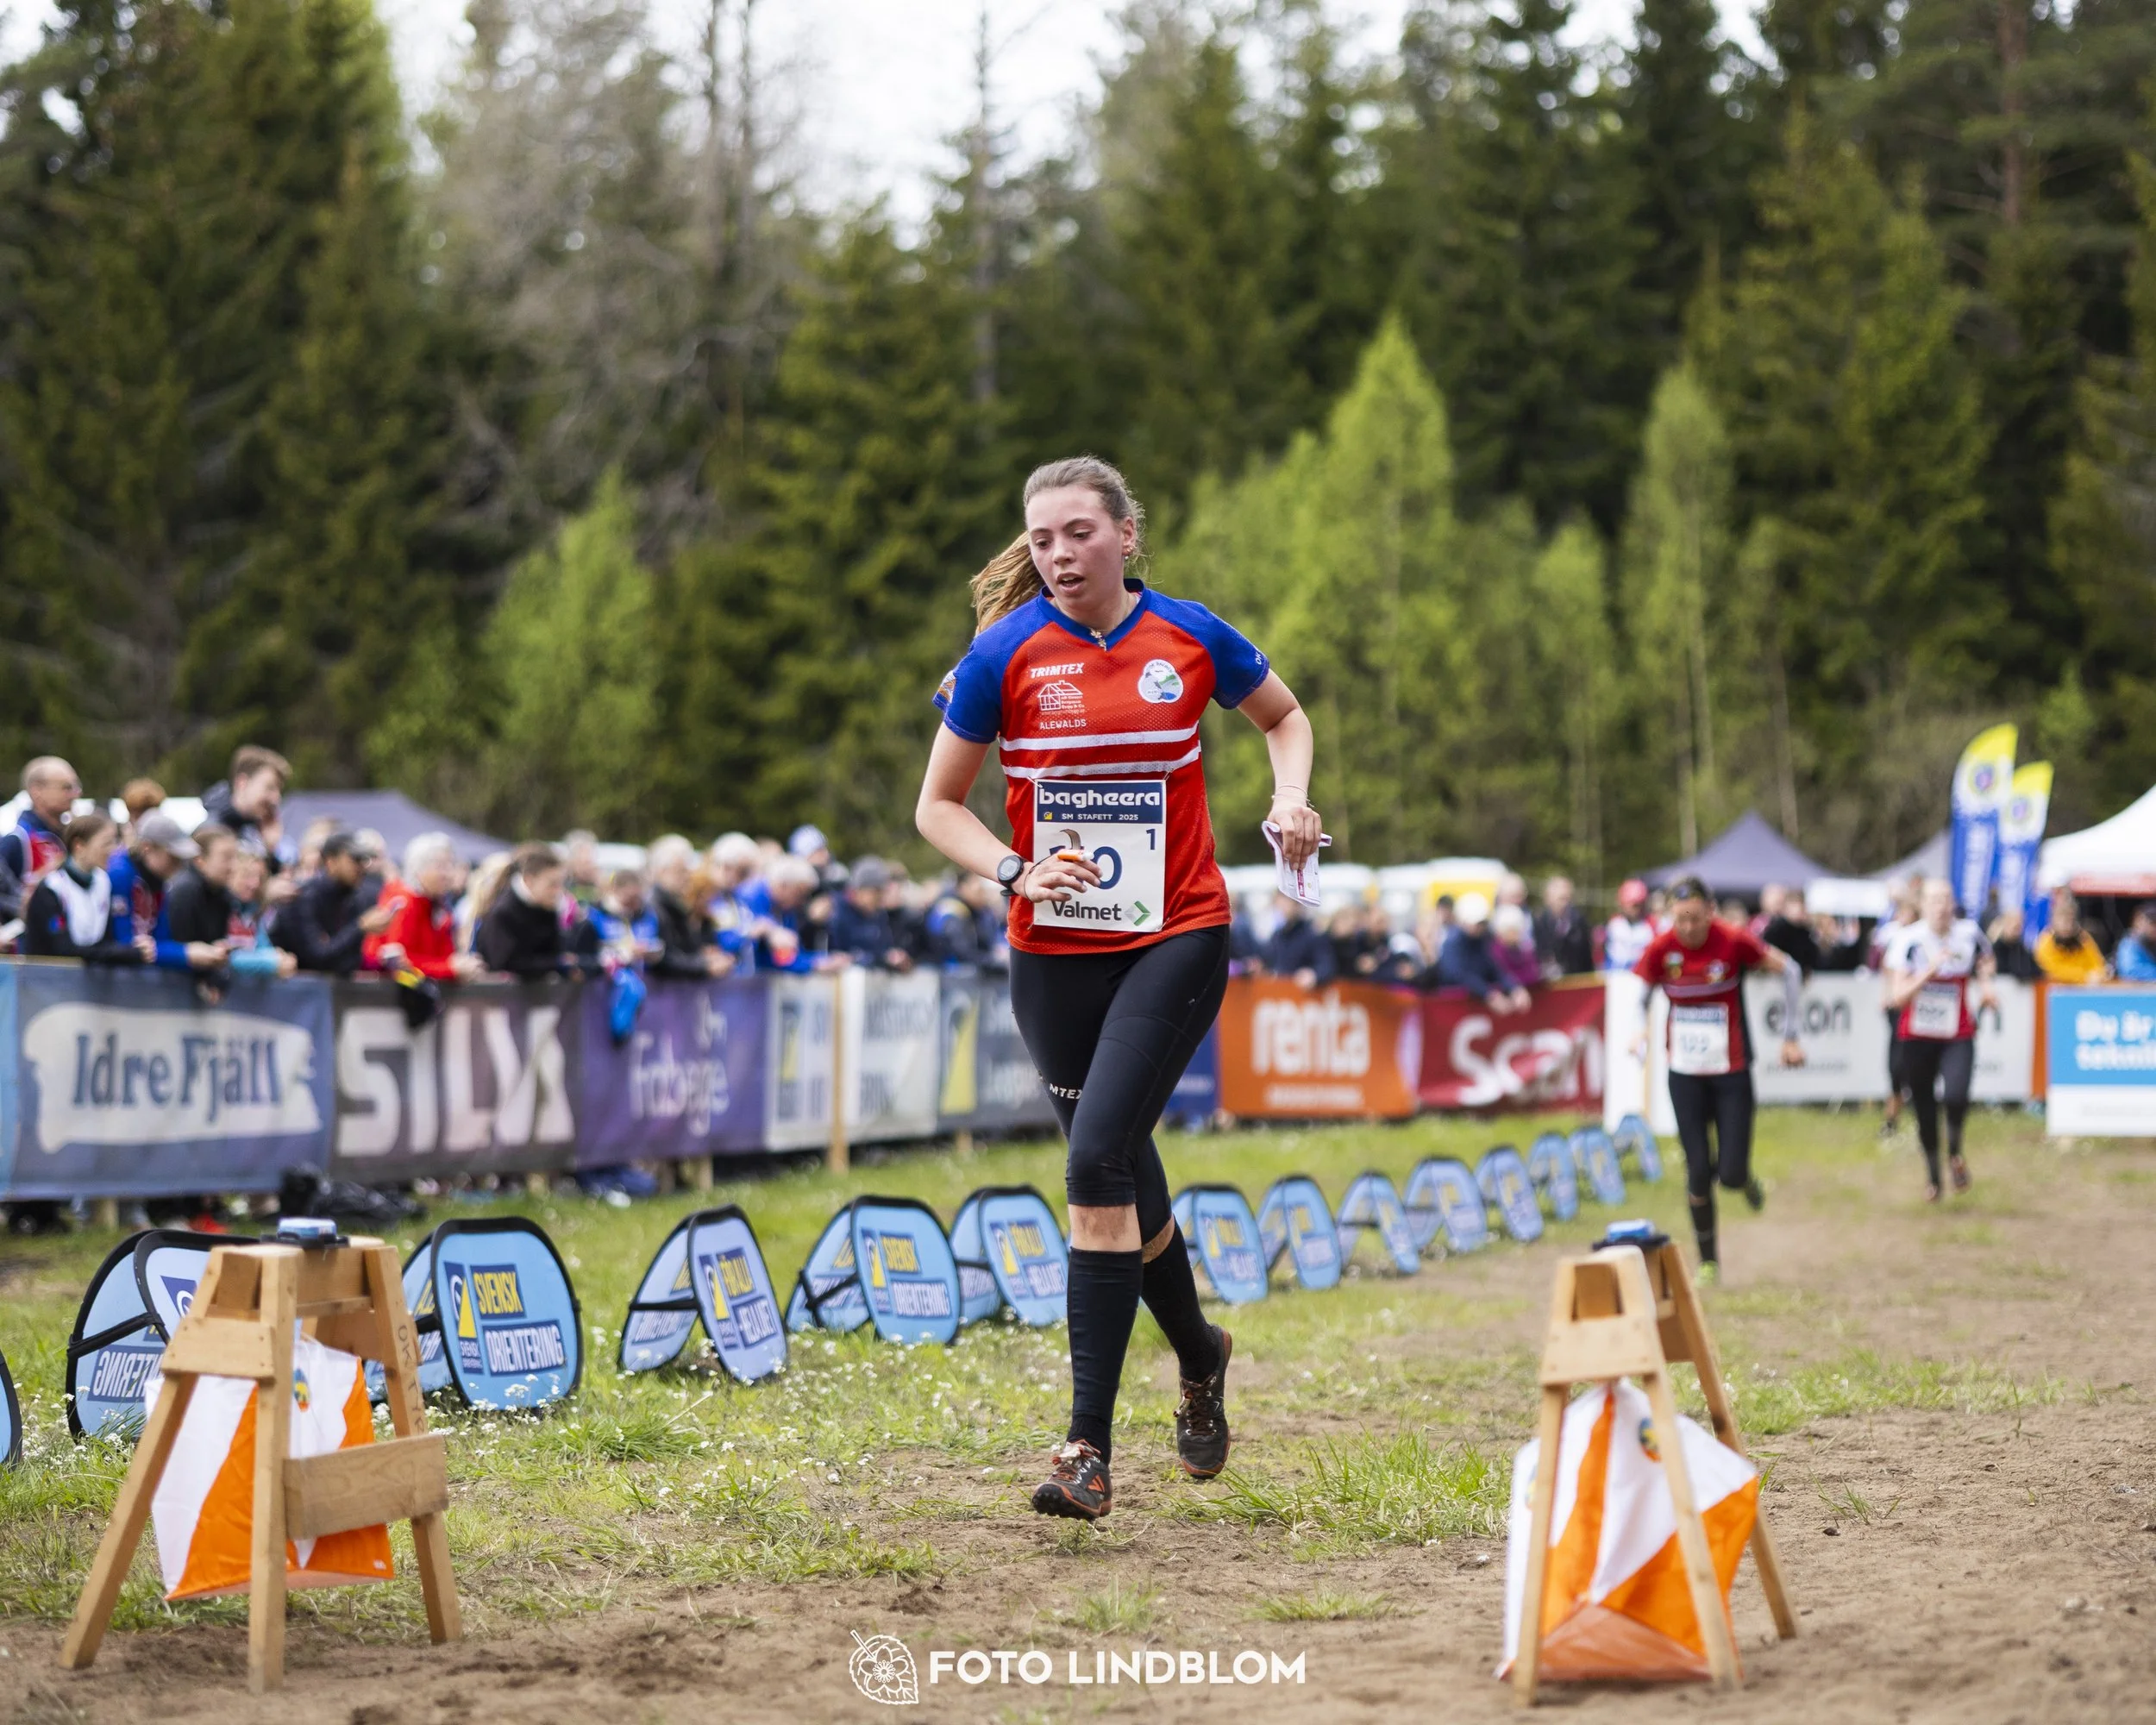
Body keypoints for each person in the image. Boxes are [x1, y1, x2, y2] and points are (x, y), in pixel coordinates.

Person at [915, 455, 1319, 1523]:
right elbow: (937, 808)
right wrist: (1009, 864)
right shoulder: (1002, 654)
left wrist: (1290, 799)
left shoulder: (1187, 633)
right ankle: (1199, 1349)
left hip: (1176, 930)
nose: (1058, 555)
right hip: (1052, 948)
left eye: (1078, 534)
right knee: (1119, 1165)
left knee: (1095, 1158)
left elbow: (1285, 716)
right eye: (1041, 539)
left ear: (1126, 534)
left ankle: (1085, 1450)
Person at [1632, 875, 1805, 1285]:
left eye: (1695, 919)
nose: (1688, 929)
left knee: (1727, 1172)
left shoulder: (1733, 940)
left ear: (1711, 911)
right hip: (1685, 1075)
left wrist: (1792, 1036)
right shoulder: (1661, 948)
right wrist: (1640, 1029)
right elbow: (1641, 993)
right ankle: (1709, 1261)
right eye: (1680, 920)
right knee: (1696, 1169)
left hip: (1731, 1074)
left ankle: (1743, 1180)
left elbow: (1792, 971)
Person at [1882, 878, 1996, 1201]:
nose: (1942, 906)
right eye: (1935, 900)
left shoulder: (1970, 933)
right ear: (1923, 905)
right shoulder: (1907, 940)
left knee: (1957, 1095)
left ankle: (1955, 1154)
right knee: (1925, 1108)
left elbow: (1986, 961)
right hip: (1916, 1037)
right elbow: (1897, 997)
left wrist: (1986, 987)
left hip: (1957, 1033)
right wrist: (1928, 973)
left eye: (1947, 899)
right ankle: (1933, 1177)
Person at [109, 812, 226, 971]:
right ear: (147, 848)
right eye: (172, 856)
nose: (178, 864)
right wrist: (185, 953)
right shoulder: (119, 874)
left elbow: (161, 937)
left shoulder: (158, 880)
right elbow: (124, 942)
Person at [20, 812, 140, 963]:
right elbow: (63, 950)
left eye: (115, 842)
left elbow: (105, 940)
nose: (113, 850)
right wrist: (126, 953)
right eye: (106, 843)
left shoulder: (103, 881)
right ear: (79, 846)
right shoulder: (52, 888)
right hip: (47, 980)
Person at [367, 833, 486, 982]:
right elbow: (400, 964)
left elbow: (443, 956)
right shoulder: (404, 903)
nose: (448, 874)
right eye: (441, 866)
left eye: (451, 865)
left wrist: (459, 964)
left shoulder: (439, 905)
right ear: (418, 870)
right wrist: (450, 968)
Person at [276, 830, 391, 975]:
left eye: (364, 860)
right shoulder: (305, 897)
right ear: (331, 861)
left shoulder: (353, 898)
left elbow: (349, 962)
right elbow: (317, 958)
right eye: (355, 859)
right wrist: (360, 927)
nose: (361, 867)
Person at [476, 844, 587, 977]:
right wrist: (557, 964)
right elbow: (506, 963)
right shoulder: (503, 913)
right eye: (552, 884)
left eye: (561, 884)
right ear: (529, 880)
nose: (558, 891)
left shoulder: (547, 907)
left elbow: (553, 952)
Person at [201, 745, 294, 894]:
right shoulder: (213, 828)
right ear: (242, 782)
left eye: (279, 790)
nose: (276, 799)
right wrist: (264, 893)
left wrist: (270, 849)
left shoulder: (254, 827)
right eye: (270, 788)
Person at [2, 755, 79, 925]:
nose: (75, 794)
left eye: (76, 786)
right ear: (37, 791)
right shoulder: (17, 840)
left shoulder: (70, 836)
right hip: (30, 945)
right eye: (67, 787)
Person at [1871, 881, 1921, 1138]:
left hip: (1918, 1007)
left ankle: (1918, 1116)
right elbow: (1887, 971)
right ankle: (1892, 1119)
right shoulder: (1892, 936)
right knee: (1896, 1065)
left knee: (1915, 1063)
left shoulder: (1922, 938)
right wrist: (1886, 994)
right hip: (1897, 1007)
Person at [1438, 893, 1528, 1013]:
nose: (1481, 927)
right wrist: (1489, 994)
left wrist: (1515, 988)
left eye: (1483, 923)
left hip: (1474, 1009)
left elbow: (1495, 968)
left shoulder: (1483, 940)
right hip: (1452, 1010)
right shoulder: (1452, 944)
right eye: (1478, 923)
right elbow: (1459, 975)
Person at [829, 856, 914, 970]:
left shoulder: (879, 914)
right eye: (876, 893)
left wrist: (891, 957)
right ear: (859, 890)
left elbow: (880, 949)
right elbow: (833, 954)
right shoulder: (835, 910)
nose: (880, 899)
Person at [1257, 892, 1334, 988]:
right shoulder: (1277, 935)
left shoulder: (1313, 933)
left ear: (1298, 904)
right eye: (1279, 902)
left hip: (1305, 996)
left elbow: (1327, 965)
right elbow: (1268, 961)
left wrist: (1314, 974)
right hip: (1280, 995)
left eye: (1287, 901)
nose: (1282, 907)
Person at [2035, 889, 2109, 983]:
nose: (2067, 925)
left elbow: (2098, 965)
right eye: (2063, 920)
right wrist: (2084, 976)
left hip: (2082, 992)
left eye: (2070, 920)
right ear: (2053, 921)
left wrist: (2097, 974)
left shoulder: (2083, 938)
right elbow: (2053, 970)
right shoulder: (2045, 942)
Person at [1533, 876, 1595, 978]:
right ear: (1548, 898)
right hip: (1547, 983)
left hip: (1575, 979)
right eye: (1561, 899)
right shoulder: (1539, 921)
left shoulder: (1579, 921)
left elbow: (1586, 956)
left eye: (1567, 899)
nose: (1564, 904)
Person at [1602, 878, 1654, 972]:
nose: (1635, 909)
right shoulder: (1614, 925)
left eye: (1638, 904)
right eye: (1632, 904)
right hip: (1615, 978)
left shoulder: (1651, 927)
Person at [1490, 903, 1541, 991]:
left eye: (1518, 929)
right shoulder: (1495, 952)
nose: (1517, 934)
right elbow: (1504, 977)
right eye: (1512, 930)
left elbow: (1534, 974)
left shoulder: (1524, 950)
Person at [2114, 902, 2156, 982]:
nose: (2154, 928)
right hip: (2136, 991)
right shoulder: (2130, 943)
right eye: (2152, 923)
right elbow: (2130, 971)